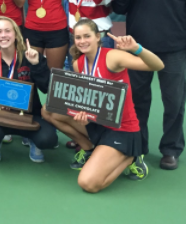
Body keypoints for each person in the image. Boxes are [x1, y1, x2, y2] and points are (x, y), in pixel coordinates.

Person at [42, 19, 164, 193]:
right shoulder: (79, 63)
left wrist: (137, 49)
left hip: (122, 129)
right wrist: (83, 116)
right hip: (97, 123)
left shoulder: (113, 57)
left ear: (98, 37)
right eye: (78, 37)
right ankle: (89, 148)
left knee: (87, 183)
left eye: (87, 36)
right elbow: (87, 99)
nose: (82, 41)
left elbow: (158, 65)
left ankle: (131, 157)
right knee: (48, 110)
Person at [111, 0, 186, 170]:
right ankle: (139, 147)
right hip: (138, 50)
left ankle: (171, 149)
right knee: (138, 100)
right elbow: (119, 7)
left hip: (173, 49)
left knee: (174, 102)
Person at [0, 16, 58, 163]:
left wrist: (36, 65)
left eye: (7, 31)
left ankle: (31, 138)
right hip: (0, 115)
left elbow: (46, 88)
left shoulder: (31, 57)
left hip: (29, 116)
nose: (3, 35)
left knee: (49, 139)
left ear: (15, 34)